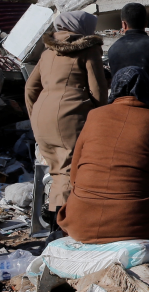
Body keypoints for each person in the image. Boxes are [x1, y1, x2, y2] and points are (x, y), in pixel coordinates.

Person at [58, 67, 149, 280]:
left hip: (80, 224)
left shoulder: (94, 116)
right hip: (139, 226)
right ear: (148, 90)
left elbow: (74, 178)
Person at [25, 11, 108, 216]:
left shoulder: (47, 53)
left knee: (57, 171)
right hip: (71, 115)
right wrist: (99, 121)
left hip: (41, 116)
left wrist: (34, 118)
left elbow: (29, 89)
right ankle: (61, 224)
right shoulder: (89, 50)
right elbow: (98, 89)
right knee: (71, 171)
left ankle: (53, 220)